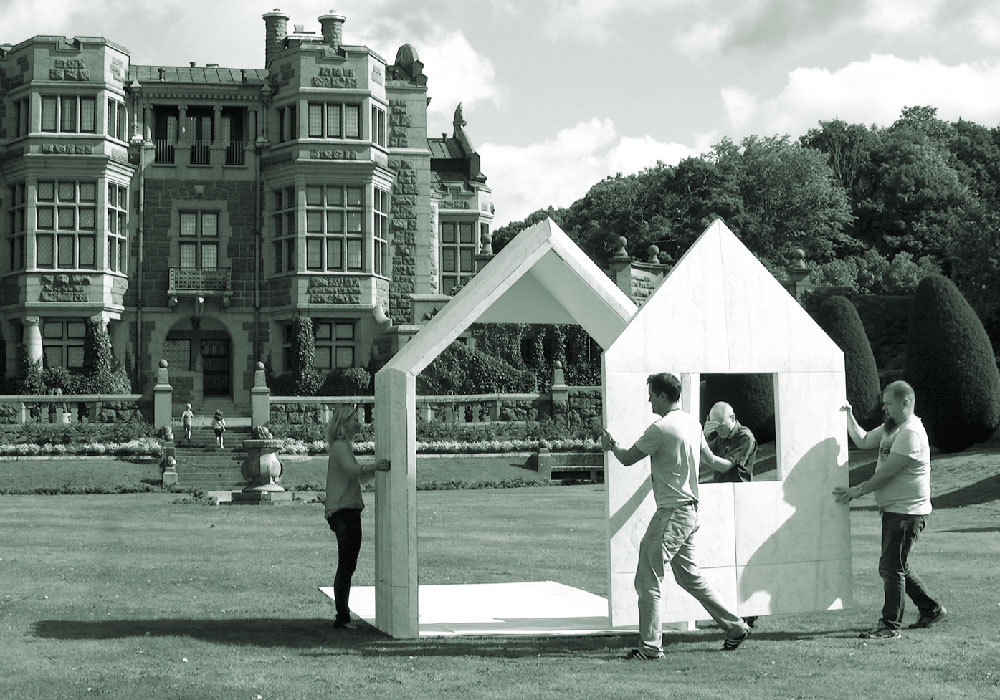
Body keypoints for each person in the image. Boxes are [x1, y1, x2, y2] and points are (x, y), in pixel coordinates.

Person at [603, 373, 752, 659]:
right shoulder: (691, 423)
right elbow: (713, 462)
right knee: (689, 577)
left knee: (647, 577)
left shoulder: (659, 429)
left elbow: (627, 458)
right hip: (691, 513)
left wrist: (611, 445)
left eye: (651, 395)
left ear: (662, 395)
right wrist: (738, 464)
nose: (649, 400)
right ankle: (735, 627)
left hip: (672, 513)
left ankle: (650, 647)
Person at [833, 380, 945, 639]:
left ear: (905, 402)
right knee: (897, 565)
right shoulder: (891, 428)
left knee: (891, 567)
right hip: (895, 510)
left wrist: (857, 491)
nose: (884, 408)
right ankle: (931, 610)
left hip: (908, 512)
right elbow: (862, 440)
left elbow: (887, 473)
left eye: (888, 403)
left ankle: (889, 626)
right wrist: (849, 416)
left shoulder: (911, 433)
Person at [325, 405, 391, 630]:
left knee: (347, 565)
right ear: (343, 425)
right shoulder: (340, 446)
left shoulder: (343, 446)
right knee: (346, 566)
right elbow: (353, 471)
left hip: (346, 512)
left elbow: (359, 478)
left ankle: (343, 616)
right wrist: (377, 466)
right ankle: (342, 618)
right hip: (343, 512)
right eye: (355, 419)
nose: (359, 423)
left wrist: (374, 470)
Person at [703, 402, 757, 483]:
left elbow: (724, 467)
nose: (719, 431)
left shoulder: (745, 437)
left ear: (732, 418)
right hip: (722, 487)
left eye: (721, 426)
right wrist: (704, 436)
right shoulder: (722, 436)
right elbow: (705, 453)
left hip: (738, 489)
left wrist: (701, 444)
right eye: (715, 428)